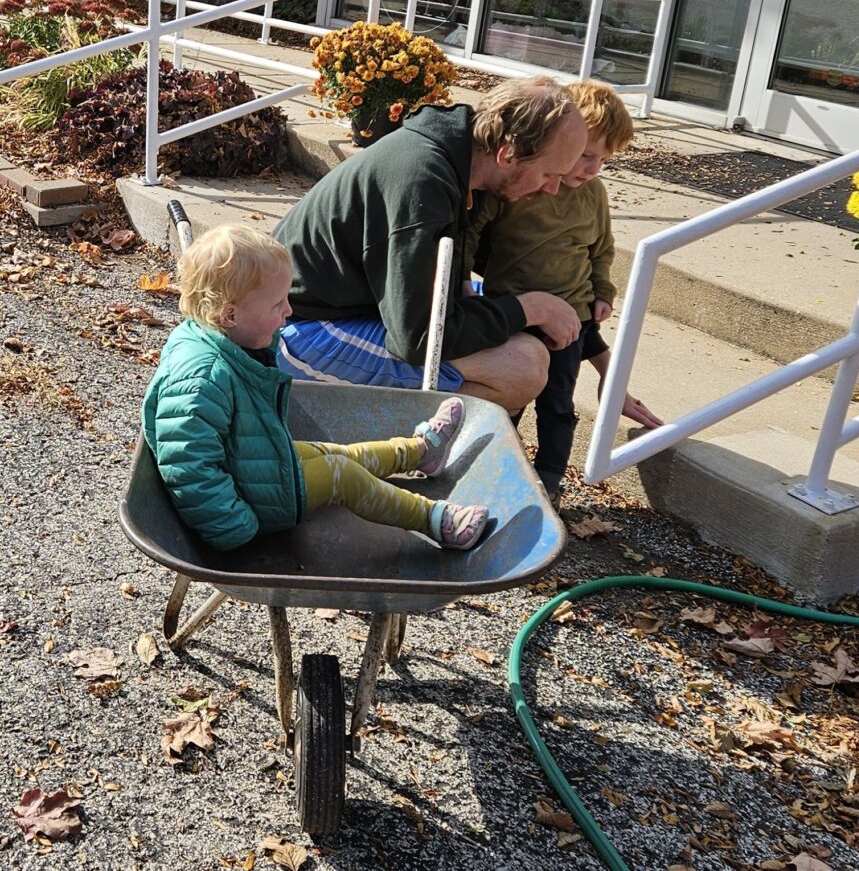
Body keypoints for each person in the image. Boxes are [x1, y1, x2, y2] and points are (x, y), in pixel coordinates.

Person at [141, 224, 488, 552]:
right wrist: (233, 526)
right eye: (277, 305)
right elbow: (188, 466)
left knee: (335, 453)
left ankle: (418, 451)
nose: (289, 311)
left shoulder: (220, 340)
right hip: (249, 504)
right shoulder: (202, 378)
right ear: (229, 315)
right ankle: (434, 520)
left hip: (254, 469)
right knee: (343, 475)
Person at [272, 76, 588, 413]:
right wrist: (531, 309)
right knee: (521, 367)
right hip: (289, 332)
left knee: (517, 350)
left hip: (341, 312)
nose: (553, 189)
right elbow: (420, 338)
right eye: (548, 175)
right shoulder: (422, 180)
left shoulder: (458, 160)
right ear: (508, 154)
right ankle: (394, 447)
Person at [464, 80, 662, 505]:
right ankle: (496, 466)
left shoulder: (594, 195)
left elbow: (601, 250)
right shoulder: (520, 185)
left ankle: (550, 481)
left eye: (603, 160)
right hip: (513, 312)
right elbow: (474, 230)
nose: (591, 167)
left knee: (558, 404)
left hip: (572, 318)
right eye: (585, 155)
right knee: (510, 400)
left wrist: (603, 291)